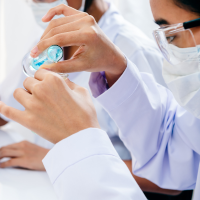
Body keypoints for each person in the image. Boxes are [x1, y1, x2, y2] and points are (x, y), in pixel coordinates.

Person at [1, 0, 200, 199]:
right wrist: (118, 69)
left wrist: (73, 147)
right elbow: (176, 154)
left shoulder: (137, 49)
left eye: (171, 35)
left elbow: (171, 177)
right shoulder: (53, 43)